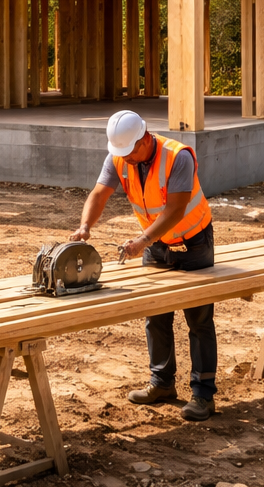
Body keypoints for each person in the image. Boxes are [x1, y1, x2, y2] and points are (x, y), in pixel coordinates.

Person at [69, 109, 217, 421]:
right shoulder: (119, 157)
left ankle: (203, 395)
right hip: (157, 245)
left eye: (131, 151)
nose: (127, 158)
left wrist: (141, 242)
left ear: (145, 138)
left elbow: (176, 210)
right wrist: (85, 226)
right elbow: (99, 194)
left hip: (193, 244)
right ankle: (162, 383)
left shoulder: (178, 158)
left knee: (199, 319)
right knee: (156, 314)